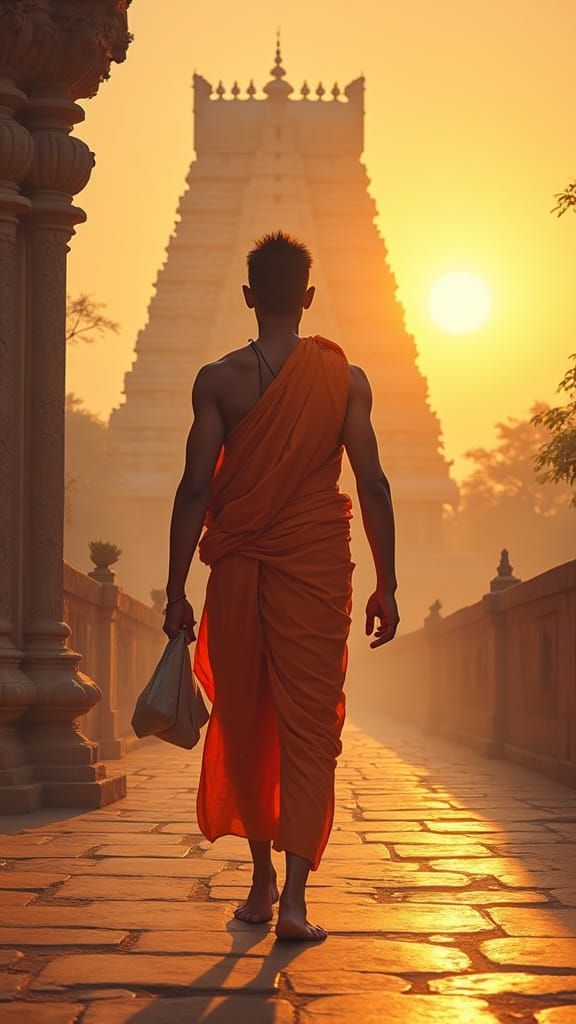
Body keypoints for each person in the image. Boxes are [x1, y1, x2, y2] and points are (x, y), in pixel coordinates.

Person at [163, 230, 399, 942]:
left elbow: (196, 486)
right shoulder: (346, 379)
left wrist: (175, 586)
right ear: (308, 298)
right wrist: (388, 581)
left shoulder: (219, 380)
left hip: (235, 569)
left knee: (247, 718)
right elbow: (375, 482)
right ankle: (294, 899)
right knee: (306, 727)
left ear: (246, 297)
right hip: (318, 568)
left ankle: (261, 882)